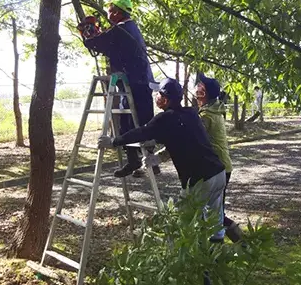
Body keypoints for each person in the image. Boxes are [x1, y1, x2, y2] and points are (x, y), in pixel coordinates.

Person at [97, 78, 226, 242]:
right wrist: (158, 155)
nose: (155, 96)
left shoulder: (164, 119)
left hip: (200, 180)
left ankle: (184, 260)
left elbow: (142, 132)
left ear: (165, 100)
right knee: (215, 222)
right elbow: (184, 140)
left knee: (183, 223)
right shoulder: (191, 113)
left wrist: (114, 141)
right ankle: (216, 258)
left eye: (158, 94)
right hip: (218, 173)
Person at [82, 0, 160, 178]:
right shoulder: (127, 28)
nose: (108, 13)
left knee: (143, 124)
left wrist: (87, 29)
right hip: (133, 82)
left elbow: (95, 43)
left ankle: (153, 164)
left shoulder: (122, 30)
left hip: (137, 83)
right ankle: (133, 159)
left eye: (110, 10)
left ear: (117, 12)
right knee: (127, 122)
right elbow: (106, 42)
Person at [195, 73, 243, 242]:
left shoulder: (206, 116)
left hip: (218, 168)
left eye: (201, 86)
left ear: (205, 93)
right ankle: (240, 241)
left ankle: (238, 242)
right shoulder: (213, 109)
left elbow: (192, 136)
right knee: (215, 210)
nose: (197, 88)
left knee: (214, 212)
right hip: (222, 166)